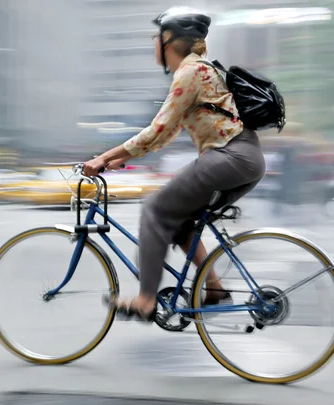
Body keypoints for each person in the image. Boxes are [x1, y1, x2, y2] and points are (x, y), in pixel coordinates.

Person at [83, 7, 266, 322]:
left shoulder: (190, 72)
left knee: (154, 209)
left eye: (157, 37)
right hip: (244, 158)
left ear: (169, 40)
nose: (154, 43)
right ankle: (215, 289)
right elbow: (165, 135)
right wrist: (118, 158)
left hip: (230, 156)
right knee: (180, 223)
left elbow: (156, 129)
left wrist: (103, 157)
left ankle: (145, 299)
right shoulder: (201, 71)